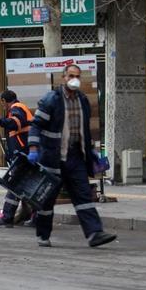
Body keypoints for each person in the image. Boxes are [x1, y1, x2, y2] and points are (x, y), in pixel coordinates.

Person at [28, 65, 117, 247]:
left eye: (77, 76)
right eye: (71, 75)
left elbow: (85, 129)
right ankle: (43, 235)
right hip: (53, 158)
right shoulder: (51, 99)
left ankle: (94, 233)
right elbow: (36, 125)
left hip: (75, 157)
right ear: (63, 78)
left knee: (83, 195)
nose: (74, 79)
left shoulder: (83, 100)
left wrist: (91, 150)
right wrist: (33, 148)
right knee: (48, 199)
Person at [0, 90, 34, 228]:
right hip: (23, 153)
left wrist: (0, 122)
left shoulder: (17, 108)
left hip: (24, 154)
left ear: (3, 101)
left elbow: (15, 123)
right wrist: (10, 153)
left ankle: (8, 217)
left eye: (1, 102)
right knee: (28, 187)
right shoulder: (18, 108)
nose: (2, 105)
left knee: (14, 185)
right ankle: (34, 216)